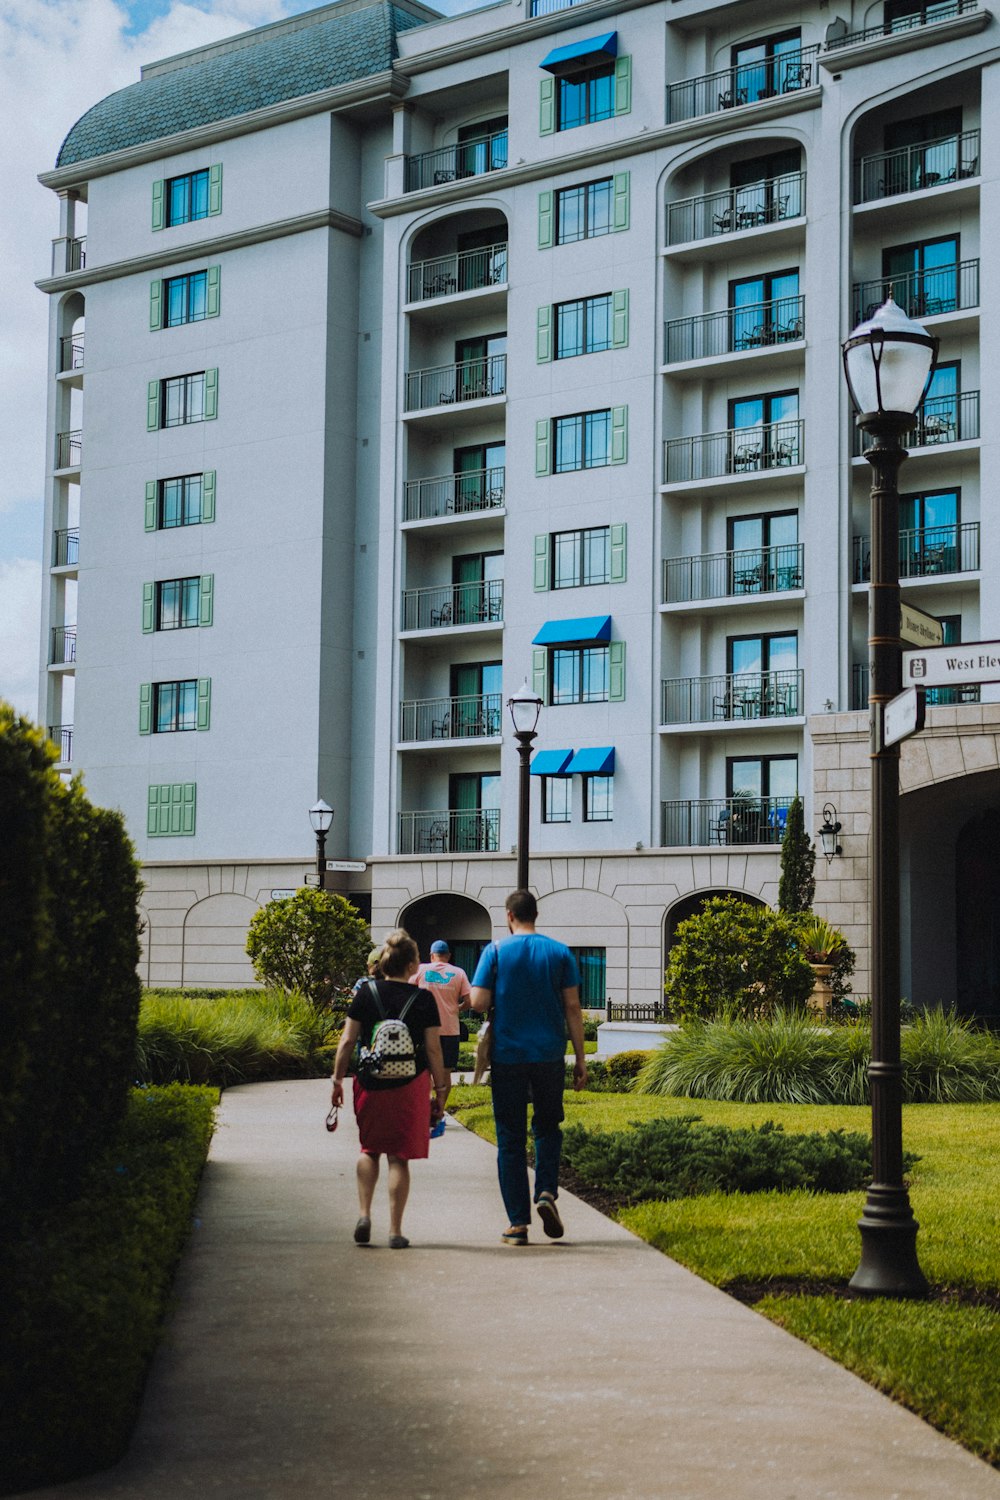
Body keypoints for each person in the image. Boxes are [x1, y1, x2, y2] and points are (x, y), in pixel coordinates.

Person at [470, 890, 587, 1246]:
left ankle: (518, 1224)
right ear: (535, 914)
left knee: (510, 1138)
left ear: (509, 916)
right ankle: (547, 1192)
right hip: (549, 1055)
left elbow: (477, 1001)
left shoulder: (495, 952)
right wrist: (580, 1059)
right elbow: (572, 1007)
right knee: (548, 1127)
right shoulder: (560, 952)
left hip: (508, 1056)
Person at [331, 929, 449, 1248]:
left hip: (370, 1082)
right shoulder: (423, 999)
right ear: (413, 965)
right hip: (410, 1085)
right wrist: (441, 1089)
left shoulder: (366, 993)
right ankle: (395, 1231)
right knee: (399, 1158)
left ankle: (365, 1214)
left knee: (368, 1150)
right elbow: (434, 1049)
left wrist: (337, 1081)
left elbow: (348, 1041)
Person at [410, 939, 472, 1078]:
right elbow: (469, 1000)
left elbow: (407, 993)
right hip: (450, 1030)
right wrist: (458, 1008)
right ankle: (441, 1100)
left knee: (425, 1072)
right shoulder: (459, 973)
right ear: (449, 956)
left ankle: (427, 1099)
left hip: (425, 1029)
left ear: (432, 955)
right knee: (445, 1073)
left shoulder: (420, 970)